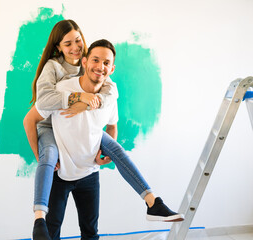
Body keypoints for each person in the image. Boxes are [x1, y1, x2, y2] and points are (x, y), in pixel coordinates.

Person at [24, 39, 184, 240]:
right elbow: (32, 118)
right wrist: (41, 156)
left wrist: (103, 156)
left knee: (91, 233)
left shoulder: (109, 95)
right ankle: (38, 218)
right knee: (51, 232)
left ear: (112, 68)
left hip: (89, 174)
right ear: (84, 62)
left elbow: (112, 126)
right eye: (95, 60)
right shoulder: (63, 89)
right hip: (61, 173)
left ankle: (152, 202)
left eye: (106, 63)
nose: (100, 67)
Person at [26, 19, 119, 240]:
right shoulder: (54, 67)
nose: (75, 47)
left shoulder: (90, 63)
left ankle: (151, 199)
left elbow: (108, 89)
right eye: (67, 44)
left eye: (78, 40)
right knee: (48, 156)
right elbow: (46, 99)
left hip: (81, 140)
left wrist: (90, 101)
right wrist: (79, 97)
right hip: (49, 126)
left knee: (115, 149)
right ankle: (38, 217)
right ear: (58, 47)